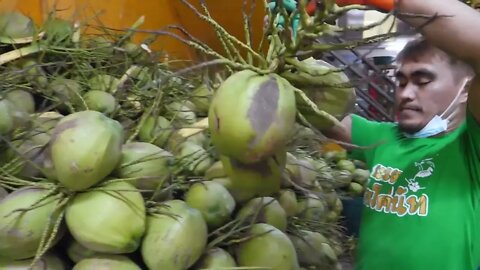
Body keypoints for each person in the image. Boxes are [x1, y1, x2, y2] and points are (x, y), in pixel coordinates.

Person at [312, 0, 480, 269]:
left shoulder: (471, 147)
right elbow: (321, 115)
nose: (405, 94)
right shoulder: (384, 137)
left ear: (465, 89)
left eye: (422, 80)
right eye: (401, 81)